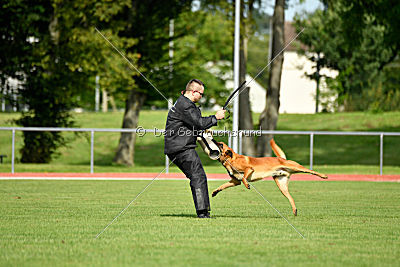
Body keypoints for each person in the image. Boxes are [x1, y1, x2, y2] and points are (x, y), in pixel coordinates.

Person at [164, 79, 226, 218]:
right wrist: (216, 117)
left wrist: (202, 132)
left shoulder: (183, 103)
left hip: (178, 147)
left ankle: (203, 211)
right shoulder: (185, 105)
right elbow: (199, 122)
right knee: (198, 176)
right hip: (181, 149)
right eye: (201, 94)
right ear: (193, 92)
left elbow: (192, 125)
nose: (202, 97)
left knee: (197, 176)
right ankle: (203, 213)